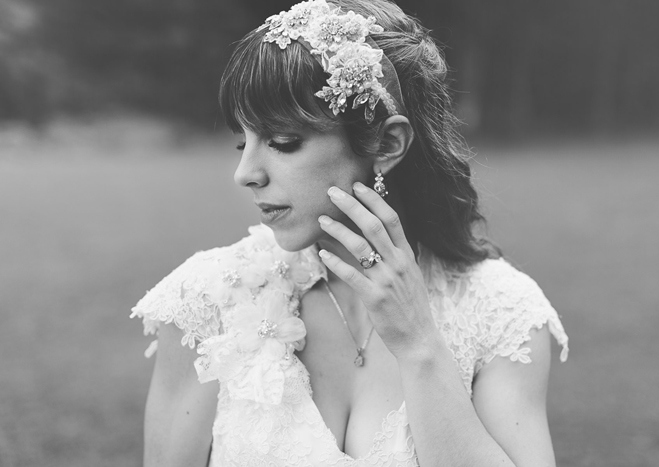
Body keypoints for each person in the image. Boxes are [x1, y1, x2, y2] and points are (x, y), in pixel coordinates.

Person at [131, 1, 569, 466]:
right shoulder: (205, 301)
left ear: (387, 144)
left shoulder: (502, 313)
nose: (245, 173)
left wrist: (420, 346)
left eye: (282, 142)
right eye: (244, 142)